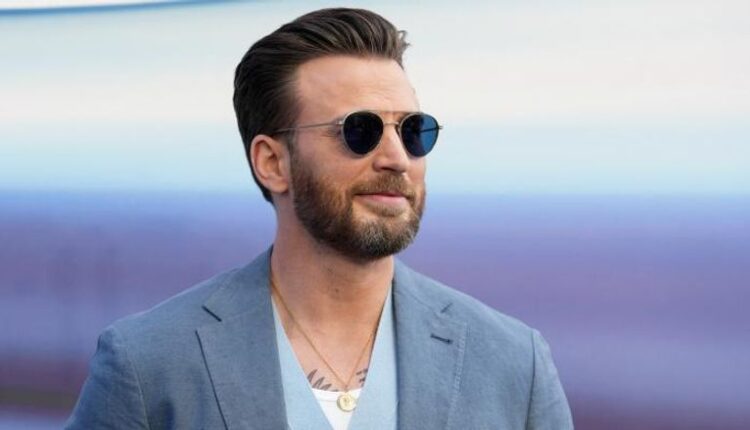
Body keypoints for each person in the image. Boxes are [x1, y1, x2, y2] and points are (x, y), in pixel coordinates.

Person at [66, 7, 573, 430]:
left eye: (412, 131)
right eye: (359, 130)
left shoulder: (513, 363)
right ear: (272, 162)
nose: (396, 158)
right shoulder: (148, 364)